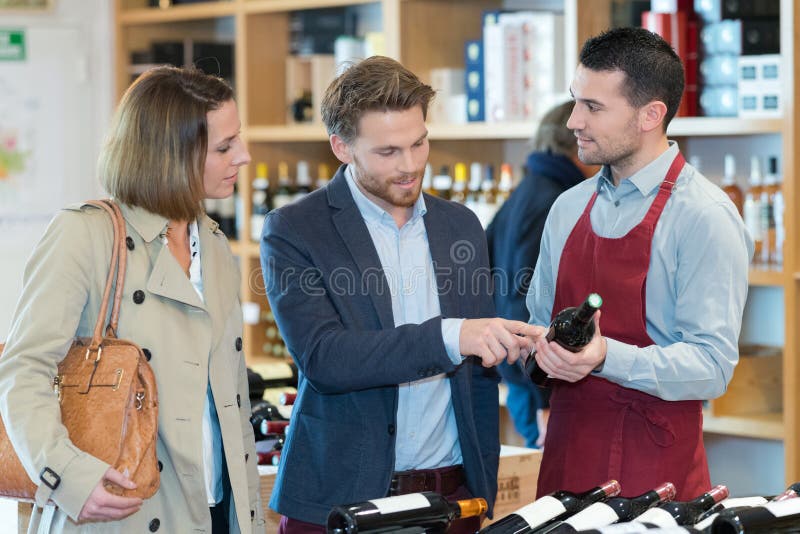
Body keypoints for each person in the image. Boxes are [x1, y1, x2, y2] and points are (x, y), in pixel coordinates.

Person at [260, 56, 541, 533]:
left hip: (452, 500)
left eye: (419, 143)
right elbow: (326, 358)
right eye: (388, 152)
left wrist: (534, 351)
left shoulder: (461, 225)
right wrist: (452, 336)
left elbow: (479, 365)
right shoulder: (295, 230)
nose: (410, 166)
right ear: (341, 147)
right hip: (340, 502)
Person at [0, 66, 265, 533]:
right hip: (120, 510)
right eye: (224, 147)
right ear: (172, 155)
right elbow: (22, 373)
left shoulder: (216, 244)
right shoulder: (85, 235)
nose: (243, 156)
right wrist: (71, 478)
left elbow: (231, 401)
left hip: (217, 512)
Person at [528, 27, 752, 501]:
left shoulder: (704, 216)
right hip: (566, 465)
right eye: (575, 101)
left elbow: (711, 366)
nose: (573, 121)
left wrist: (604, 355)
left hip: (655, 479)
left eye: (593, 107)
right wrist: (537, 350)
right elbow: (538, 326)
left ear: (651, 115)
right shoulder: (567, 208)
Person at [486, 100, 598, 449]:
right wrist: (545, 400)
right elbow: (526, 301)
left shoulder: (525, 192)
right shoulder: (554, 200)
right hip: (538, 379)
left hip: (524, 376)